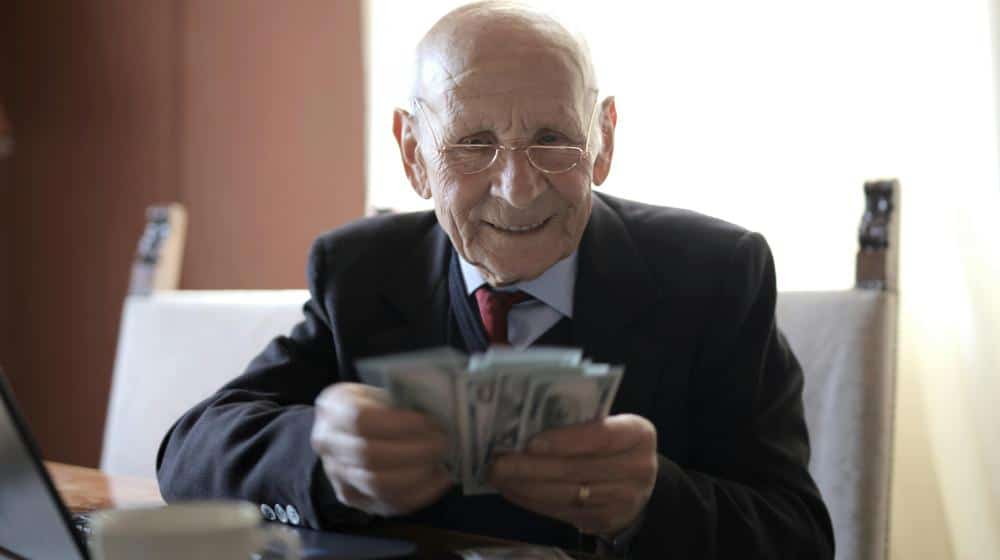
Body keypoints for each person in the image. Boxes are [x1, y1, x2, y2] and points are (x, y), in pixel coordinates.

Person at [156, 2, 835, 557]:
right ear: (413, 154)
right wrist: (323, 458)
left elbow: (799, 535)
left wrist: (651, 500)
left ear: (604, 141)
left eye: (551, 138)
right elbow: (189, 452)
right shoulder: (362, 272)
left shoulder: (717, 275)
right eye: (472, 144)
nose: (516, 190)